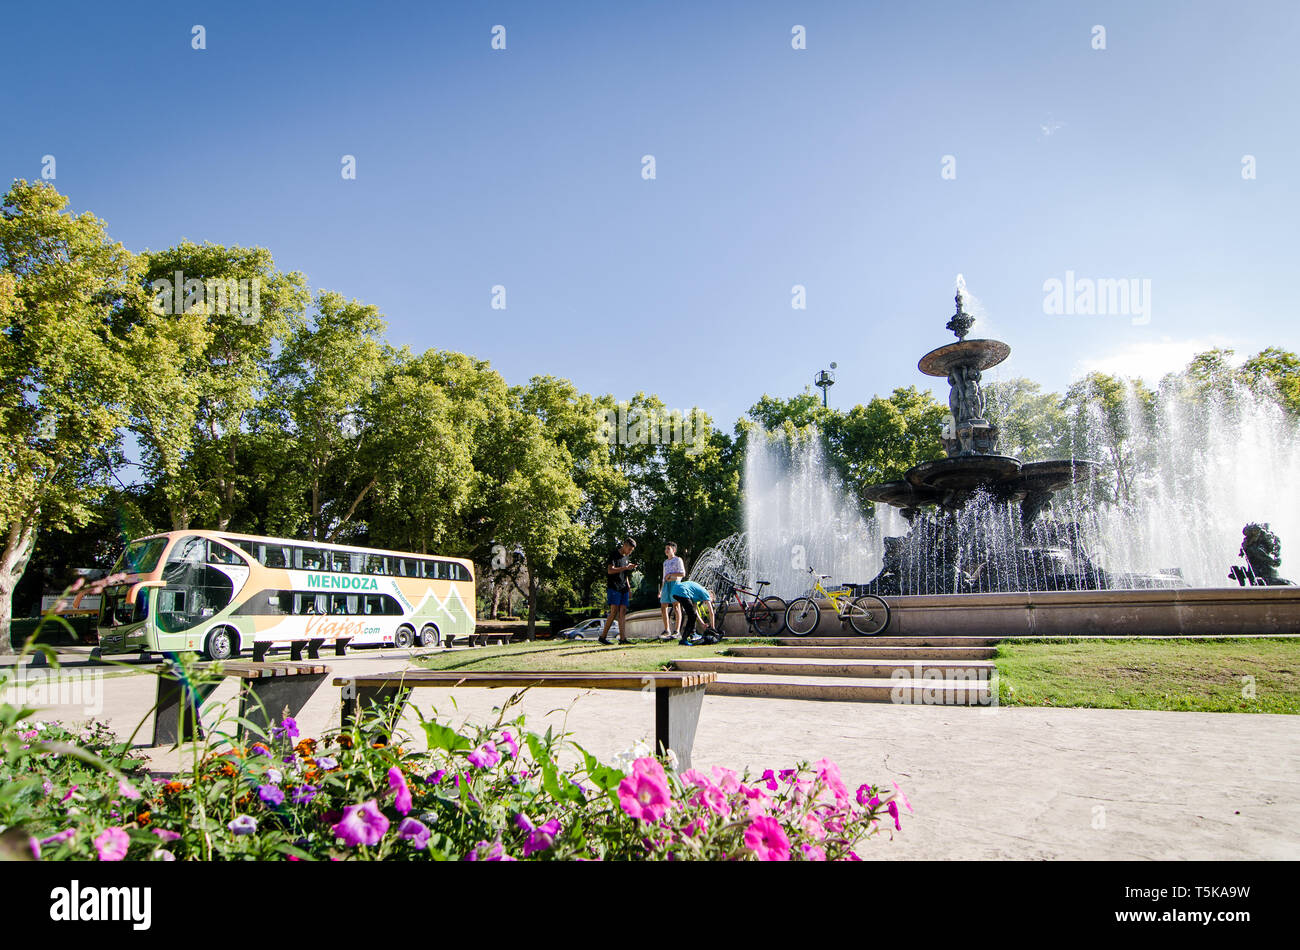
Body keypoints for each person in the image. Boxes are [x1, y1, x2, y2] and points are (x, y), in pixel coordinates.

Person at [599, 537, 637, 645]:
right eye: (629, 549)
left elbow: (625, 575)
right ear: (624, 545)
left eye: (631, 550)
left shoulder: (626, 557)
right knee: (614, 611)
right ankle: (603, 637)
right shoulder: (614, 554)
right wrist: (625, 567)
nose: (630, 552)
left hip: (623, 588)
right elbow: (610, 570)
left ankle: (623, 639)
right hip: (614, 587)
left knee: (623, 612)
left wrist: (629, 588)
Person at [671, 580, 717, 645]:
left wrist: (702, 624)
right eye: (711, 601)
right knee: (692, 616)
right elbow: (711, 612)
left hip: (675, 591)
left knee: (692, 615)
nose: (707, 603)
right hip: (682, 591)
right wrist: (713, 628)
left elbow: (695, 611)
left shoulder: (696, 595)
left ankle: (690, 635)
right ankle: (684, 639)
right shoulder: (706, 593)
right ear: (711, 596)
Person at [657, 542, 686, 641]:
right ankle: (667, 629)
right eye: (665, 548)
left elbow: (682, 573)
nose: (666, 550)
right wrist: (661, 590)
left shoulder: (678, 560)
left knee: (676, 606)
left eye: (668, 548)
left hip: (675, 584)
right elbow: (664, 577)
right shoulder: (665, 562)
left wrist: (671, 575)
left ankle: (677, 631)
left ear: (673, 550)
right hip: (666, 585)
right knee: (663, 605)